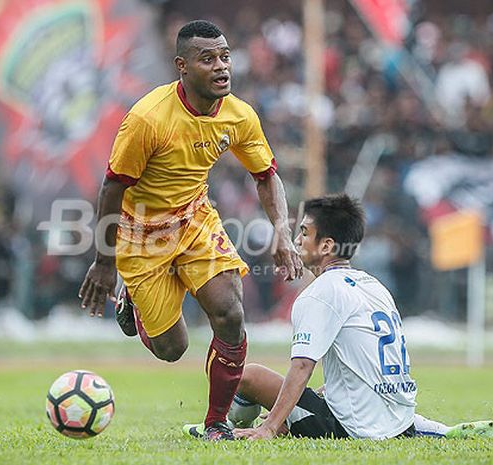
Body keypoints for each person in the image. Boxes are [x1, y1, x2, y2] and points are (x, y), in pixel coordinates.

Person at [78, 20, 303, 441]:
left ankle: (216, 423)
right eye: (207, 59)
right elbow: (112, 188)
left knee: (231, 314)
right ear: (182, 66)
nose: (221, 67)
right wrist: (104, 264)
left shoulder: (238, 115)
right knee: (172, 348)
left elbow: (267, 175)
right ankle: (133, 301)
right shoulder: (147, 118)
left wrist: (283, 232)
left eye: (225, 57)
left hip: (195, 220)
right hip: (139, 233)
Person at [184, 194, 493, 440]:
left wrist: (269, 427)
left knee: (250, 375)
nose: (296, 240)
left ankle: (224, 428)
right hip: (399, 416)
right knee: (318, 392)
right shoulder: (372, 285)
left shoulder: (320, 293)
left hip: (354, 425)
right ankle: (437, 430)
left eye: (304, 233)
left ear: (326, 245)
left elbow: (302, 366)